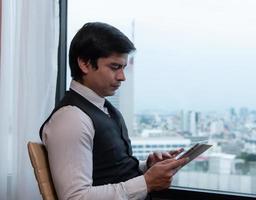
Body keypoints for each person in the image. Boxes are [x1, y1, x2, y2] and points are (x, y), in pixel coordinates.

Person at [40, 22, 188, 200]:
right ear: (85, 64)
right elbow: (75, 197)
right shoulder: (71, 119)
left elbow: (110, 171)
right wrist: (146, 183)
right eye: (114, 67)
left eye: (123, 68)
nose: (122, 77)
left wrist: (147, 167)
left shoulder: (103, 109)